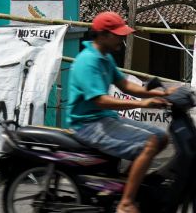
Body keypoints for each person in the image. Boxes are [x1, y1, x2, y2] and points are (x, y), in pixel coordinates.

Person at [68, 11, 173, 213]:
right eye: (118, 34)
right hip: (88, 124)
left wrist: (164, 92)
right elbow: (101, 100)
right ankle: (125, 203)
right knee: (150, 144)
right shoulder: (87, 61)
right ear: (103, 35)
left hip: (105, 119)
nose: (122, 37)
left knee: (161, 137)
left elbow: (125, 85)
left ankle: (123, 184)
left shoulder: (105, 58)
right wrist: (143, 104)